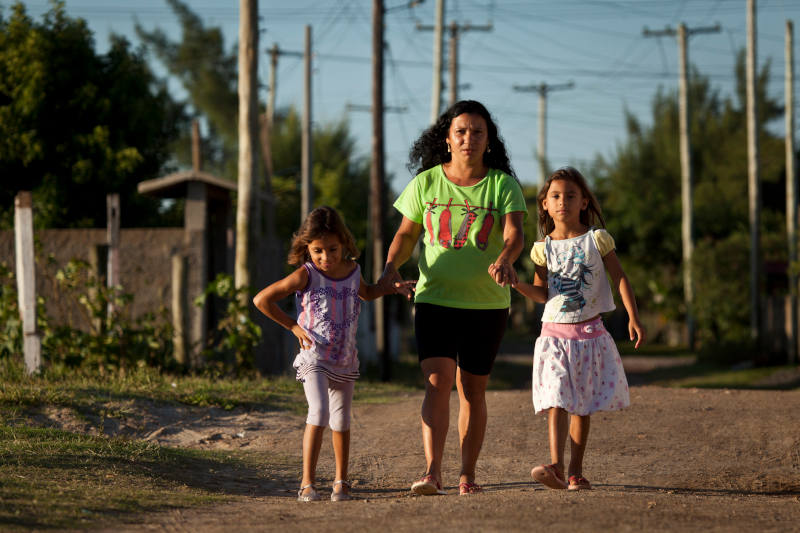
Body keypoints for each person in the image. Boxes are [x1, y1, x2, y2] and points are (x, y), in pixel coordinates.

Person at [381, 100, 527, 496]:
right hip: (434, 299)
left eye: (477, 132)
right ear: (447, 139)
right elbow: (407, 235)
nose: (469, 139)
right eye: (461, 131)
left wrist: (505, 257)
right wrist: (391, 265)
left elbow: (515, 235)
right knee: (437, 381)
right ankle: (432, 471)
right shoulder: (426, 182)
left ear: (488, 141)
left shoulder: (502, 185)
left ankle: (467, 475)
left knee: (473, 390)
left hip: (486, 304)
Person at [512, 166, 646, 491]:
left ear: (584, 201)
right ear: (544, 204)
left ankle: (575, 470)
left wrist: (633, 315)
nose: (563, 202)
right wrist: (516, 284)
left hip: (589, 337)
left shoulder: (596, 240)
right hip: (553, 337)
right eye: (555, 196)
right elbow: (543, 293)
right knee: (556, 399)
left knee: (581, 405)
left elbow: (620, 277)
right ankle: (555, 465)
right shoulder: (542, 248)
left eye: (571, 196)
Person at [252, 206, 388, 502]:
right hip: (314, 357)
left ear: (344, 243)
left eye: (332, 249)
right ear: (306, 248)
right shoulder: (307, 274)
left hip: (345, 359)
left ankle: (341, 482)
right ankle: (307, 483)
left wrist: (389, 288)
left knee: (341, 420)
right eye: (317, 251)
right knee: (320, 412)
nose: (326, 257)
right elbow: (262, 299)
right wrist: (292, 326)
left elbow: (366, 293)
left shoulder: (353, 271)